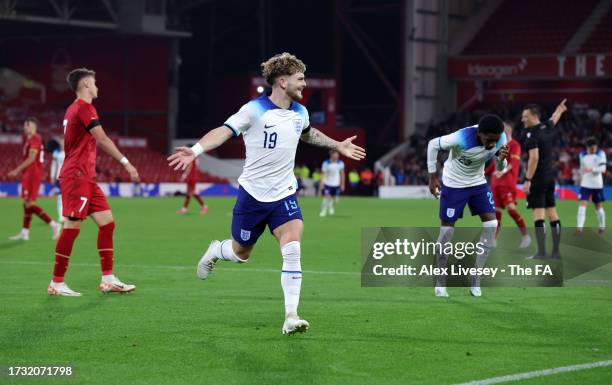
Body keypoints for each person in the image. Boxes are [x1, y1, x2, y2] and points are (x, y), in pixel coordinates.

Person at [168, 52, 365, 335]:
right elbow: (224, 131)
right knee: (241, 252)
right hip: (252, 195)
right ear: (282, 82)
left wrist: (337, 145)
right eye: (300, 79)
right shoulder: (253, 110)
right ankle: (215, 250)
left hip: (284, 194)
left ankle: (291, 316)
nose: (304, 84)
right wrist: (196, 150)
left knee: (293, 249)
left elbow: (308, 133)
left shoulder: (301, 112)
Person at [47, 67, 140, 296]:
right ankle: (56, 283)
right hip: (76, 176)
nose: (97, 86)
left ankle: (108, 279)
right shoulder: (83, 107)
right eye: (95, 82)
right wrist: (126, 162)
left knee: (107, 223)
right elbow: (102, 139)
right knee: (72, 228)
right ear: (86, 84)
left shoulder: (74, 109)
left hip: (87, 177)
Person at [427, 115, 508, 297]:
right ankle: (440, 281)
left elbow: (501, 168)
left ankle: (476, 277)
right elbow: (432, 144)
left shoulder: (501, 138)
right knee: (446, 232)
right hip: (453, 184)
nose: (492, 143)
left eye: (495, 139)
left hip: (477, 183)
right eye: (489, 139)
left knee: (492, 225)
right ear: (480, 133)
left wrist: (501, 160)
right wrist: (432, 176)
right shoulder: (461, 137)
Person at [521, 100, 567, 259]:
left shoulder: (532, 134)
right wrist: (559, 110)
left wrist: (527, 180)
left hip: (538, 179)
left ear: (534, 116)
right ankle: (556, 252)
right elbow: (554, 119)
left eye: (525, 116)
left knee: (539, 215)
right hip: (550, 177)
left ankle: (541, 253)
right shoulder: (546, 127)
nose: (522, 119)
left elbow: (533, 158)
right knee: (553, 214)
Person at [8, 118, 61, 241]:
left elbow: (32, 158)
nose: (26, 127)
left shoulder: (35, 139)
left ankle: (54, 224)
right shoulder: (29, 139)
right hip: (29, 173)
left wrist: (17, 170)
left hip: (32, 173)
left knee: (30, 204)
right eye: (25, 125)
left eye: (29, 125)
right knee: (26, 203)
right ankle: (25, 233)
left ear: (35, 127)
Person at [489, 121, 530, 247]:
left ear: (507, 131)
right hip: (495, 184)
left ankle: (526, 236)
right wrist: (480, 172)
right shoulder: (498, 146)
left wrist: (502, 171)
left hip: (507, 183)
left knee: (511, 210)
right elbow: (493, 166)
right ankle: (493, 240)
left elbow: (514, 163)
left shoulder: (515, 145)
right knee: (496, 213)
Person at [576, 137, 607, 235]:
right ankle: (579, 229)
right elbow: (581, 168)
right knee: (582, 205)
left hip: (597, 185)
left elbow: (603, 168)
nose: (594, 150)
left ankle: (602, 227)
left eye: (595, 148)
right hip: (585, 184)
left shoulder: (601, 154)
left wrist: (592, 169)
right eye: (591, 148)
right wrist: (580, 177)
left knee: (598, 206)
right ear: (587, 148)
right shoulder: (582, 155)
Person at [319, 150, 345, 217]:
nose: (337, 156)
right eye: (335, 154)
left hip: (336, 184)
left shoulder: (340, 163)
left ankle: (331, 206)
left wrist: (342, 184)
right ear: (332, 155)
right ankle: (323, 211)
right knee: (326, 197)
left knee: (335, 199)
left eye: (337, 155)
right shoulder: (326, 163)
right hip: (328, 183)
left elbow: (342, 174)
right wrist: (322, 183)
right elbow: (323, 174)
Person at [50, 138, 65, 222]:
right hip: (59, 177)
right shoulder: (56, 152)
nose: (62, 143)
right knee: (59, 197)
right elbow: (53, 165)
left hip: (69, 178)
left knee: (68, 197)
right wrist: (52, 176)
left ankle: (69, 214)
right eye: (61, 141)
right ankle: (61, 216)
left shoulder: (70, 150)